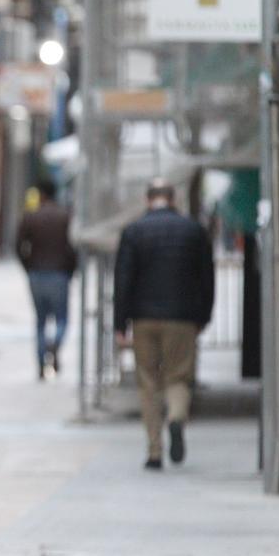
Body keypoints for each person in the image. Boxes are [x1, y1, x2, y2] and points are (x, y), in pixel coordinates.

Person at [113, 179, 214, 470]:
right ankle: (177, 417)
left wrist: (121, 323)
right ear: (173, 199)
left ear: (148, 200)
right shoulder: (193, 231)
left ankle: (154, 450)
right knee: (178, 377)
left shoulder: (133, 232)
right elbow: (207, 278)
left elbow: (124, 279)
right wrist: (203, 316)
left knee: (147, 381)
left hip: (143, 319)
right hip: (182, 318)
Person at [15, 179, 77, 379]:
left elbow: (18, 245)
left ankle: (41, 366)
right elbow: (72, 247)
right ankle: (55, 343)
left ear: (40, 194)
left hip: (37, 274)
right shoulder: (65, 216)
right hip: (59, 274)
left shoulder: (30, 217)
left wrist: (28, 266)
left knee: (40, 321)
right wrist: (71, 270)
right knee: (62, 319)